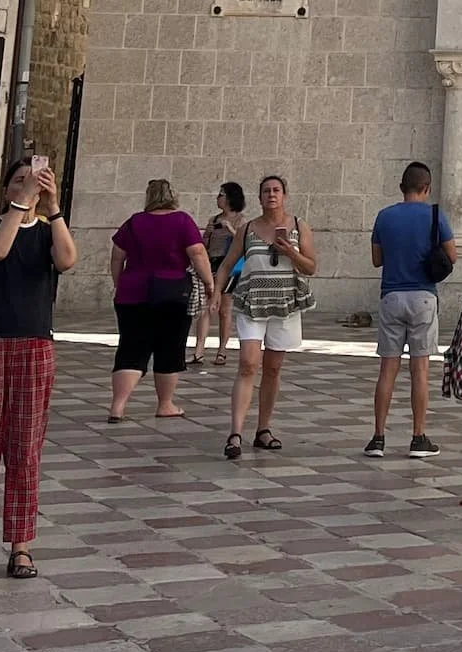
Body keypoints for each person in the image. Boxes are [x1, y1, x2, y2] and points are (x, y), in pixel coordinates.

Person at [0, 153, 77, 583]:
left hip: (34, 345)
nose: (29, 186)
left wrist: (54, 207)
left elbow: (67, 261)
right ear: (6, 189)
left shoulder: (47, 231)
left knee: (26, 449)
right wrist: (21, 205)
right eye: (19, 181)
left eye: (35, 180)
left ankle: (21, 545)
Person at [215, 175, 316, 459]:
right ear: (259, 198)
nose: (271, 195)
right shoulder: (247, 229)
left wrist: (292, 253)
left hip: (284, 305)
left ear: (284, 195)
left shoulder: (298, 227)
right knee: (248, 363)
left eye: (276, 190)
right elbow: (227, 264)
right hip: (252, 303)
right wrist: (215, 293)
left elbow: (311, 267)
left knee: (272, 368)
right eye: (266, 191)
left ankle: (263, 429)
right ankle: (235, 433)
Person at [364, 161, 454, 459]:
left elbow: (377, 259)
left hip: (391, 295)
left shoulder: (384, 216)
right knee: (420, 370)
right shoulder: (434, 215)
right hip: (423, 296)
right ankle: (418, 436)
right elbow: (451, 256)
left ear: (402, 187)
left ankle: (378, 437)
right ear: (426, 187)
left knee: (387, 369)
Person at [108, 180, 213, 422]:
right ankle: (165, 404)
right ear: (173, 196)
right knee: (170, 349)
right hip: (172, 293)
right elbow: (197, 253)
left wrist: (119, 283)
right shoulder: (182, 221)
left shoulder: (134, 222)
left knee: (131, 348)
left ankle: (118, 406)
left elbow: (117, 256)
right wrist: (209, 283)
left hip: (132, 293)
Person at [194, 182, 247, 366]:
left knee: (225, 309)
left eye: (222, 194)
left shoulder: (240, 220)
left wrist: (230, 229)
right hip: (213, 263)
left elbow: (243, 242)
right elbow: (204, 246)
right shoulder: (213, 219)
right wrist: (207, 235)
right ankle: (199, 350)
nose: (218, 198)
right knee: (206, 306)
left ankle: (222, 350)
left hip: (230, 266)